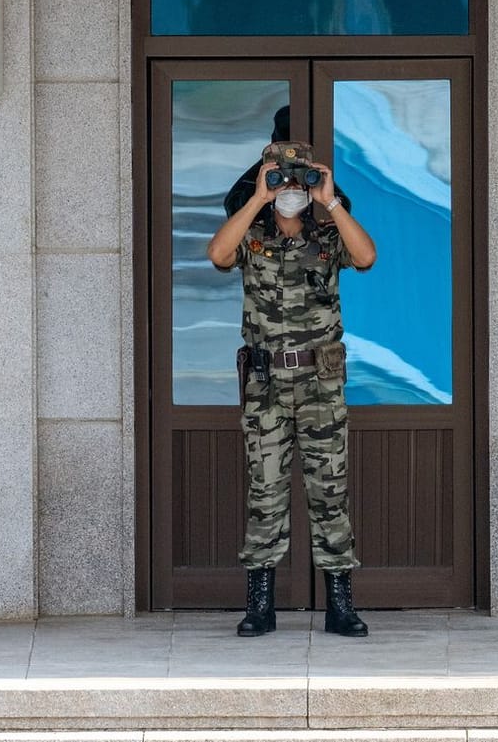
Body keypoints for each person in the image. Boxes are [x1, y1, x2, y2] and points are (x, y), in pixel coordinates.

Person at [207, 138, 377, 638]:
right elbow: (218, 253)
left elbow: (366, 257)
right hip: (266, 388)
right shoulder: (251, 239)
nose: (289, 189)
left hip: (320, 388)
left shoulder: (326, 240)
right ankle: (260, 605)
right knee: (266, 493)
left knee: (330, 492)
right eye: (279, 178)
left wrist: (330, 200)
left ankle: (340, 605)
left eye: (296, 180)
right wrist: (258, 197)